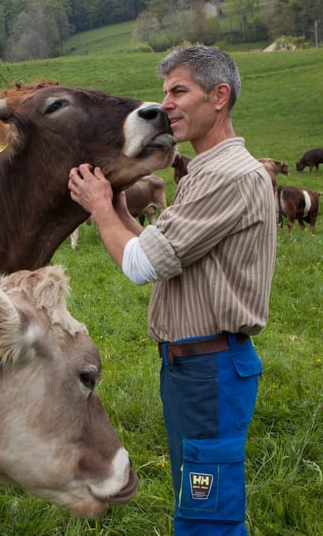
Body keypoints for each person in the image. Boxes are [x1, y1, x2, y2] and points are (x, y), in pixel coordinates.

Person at [67, 45, 276, 535]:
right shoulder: (207, 171)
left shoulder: (227, 176)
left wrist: (98, 207)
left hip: (210, 371)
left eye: (179, 91)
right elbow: (163, 250)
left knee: (208, 518)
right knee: (202, 503)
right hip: (197, 369)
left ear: (219, 96)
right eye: (165, 92)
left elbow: (141, 265)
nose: (167, 104)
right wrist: (117, 203)